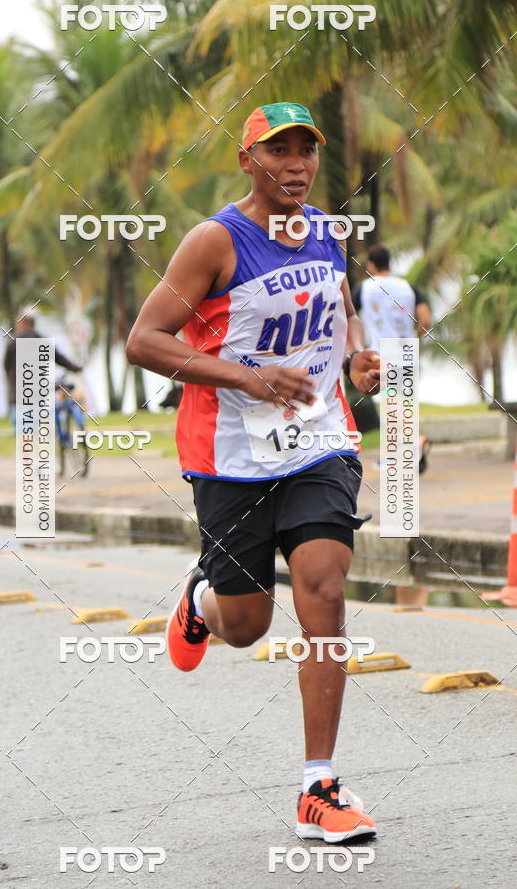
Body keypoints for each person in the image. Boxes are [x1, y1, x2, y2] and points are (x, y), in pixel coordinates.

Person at [126, 102, 381, 842]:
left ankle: (318, 788)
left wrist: (353, 360)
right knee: (247, 625)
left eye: (306, 151)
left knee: (325, 593)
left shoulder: (328, 232)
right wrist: (244, 377)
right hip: (231, 457)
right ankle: (205, 596)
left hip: (320, 443)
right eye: (279, 152)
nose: (297, 164)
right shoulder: (215, 242)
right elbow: (144, 340)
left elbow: (338, 311)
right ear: (249, 161)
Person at [354, 245, 432, 471]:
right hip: (406, 351)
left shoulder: (365, 288)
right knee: (401, 401)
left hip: (381, 355)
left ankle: (412, 442)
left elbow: (349, 315)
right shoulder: (409, 286)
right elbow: (425, 319)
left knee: (390, 401)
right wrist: (414, 337)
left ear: (371, 264)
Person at [3, 312, 82, 431]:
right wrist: (75, 368)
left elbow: (6, 366)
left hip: (18, 394)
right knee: (36, 430)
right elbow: (59, 358)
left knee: (25, 434)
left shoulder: (13, 342)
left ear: (22, 324)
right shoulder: (42, 339)